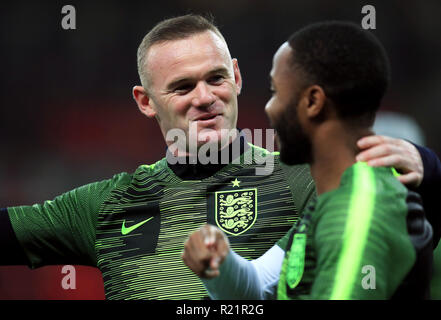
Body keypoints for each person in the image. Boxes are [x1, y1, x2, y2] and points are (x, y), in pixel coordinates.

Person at [1, 15, 439, 300]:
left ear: (237, 77)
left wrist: (428, 167)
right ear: (145, 101)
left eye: (216, 79)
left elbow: (399, 222)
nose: (205, 98)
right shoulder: (102, 206)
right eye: (183, 87)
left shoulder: (304, 176)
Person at [181, 21, 438, 299]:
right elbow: (256, 288)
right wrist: (221, 263)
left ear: (313, 101)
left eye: (275, 91)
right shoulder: (329, 204)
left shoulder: (359, 208)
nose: (269, 108)